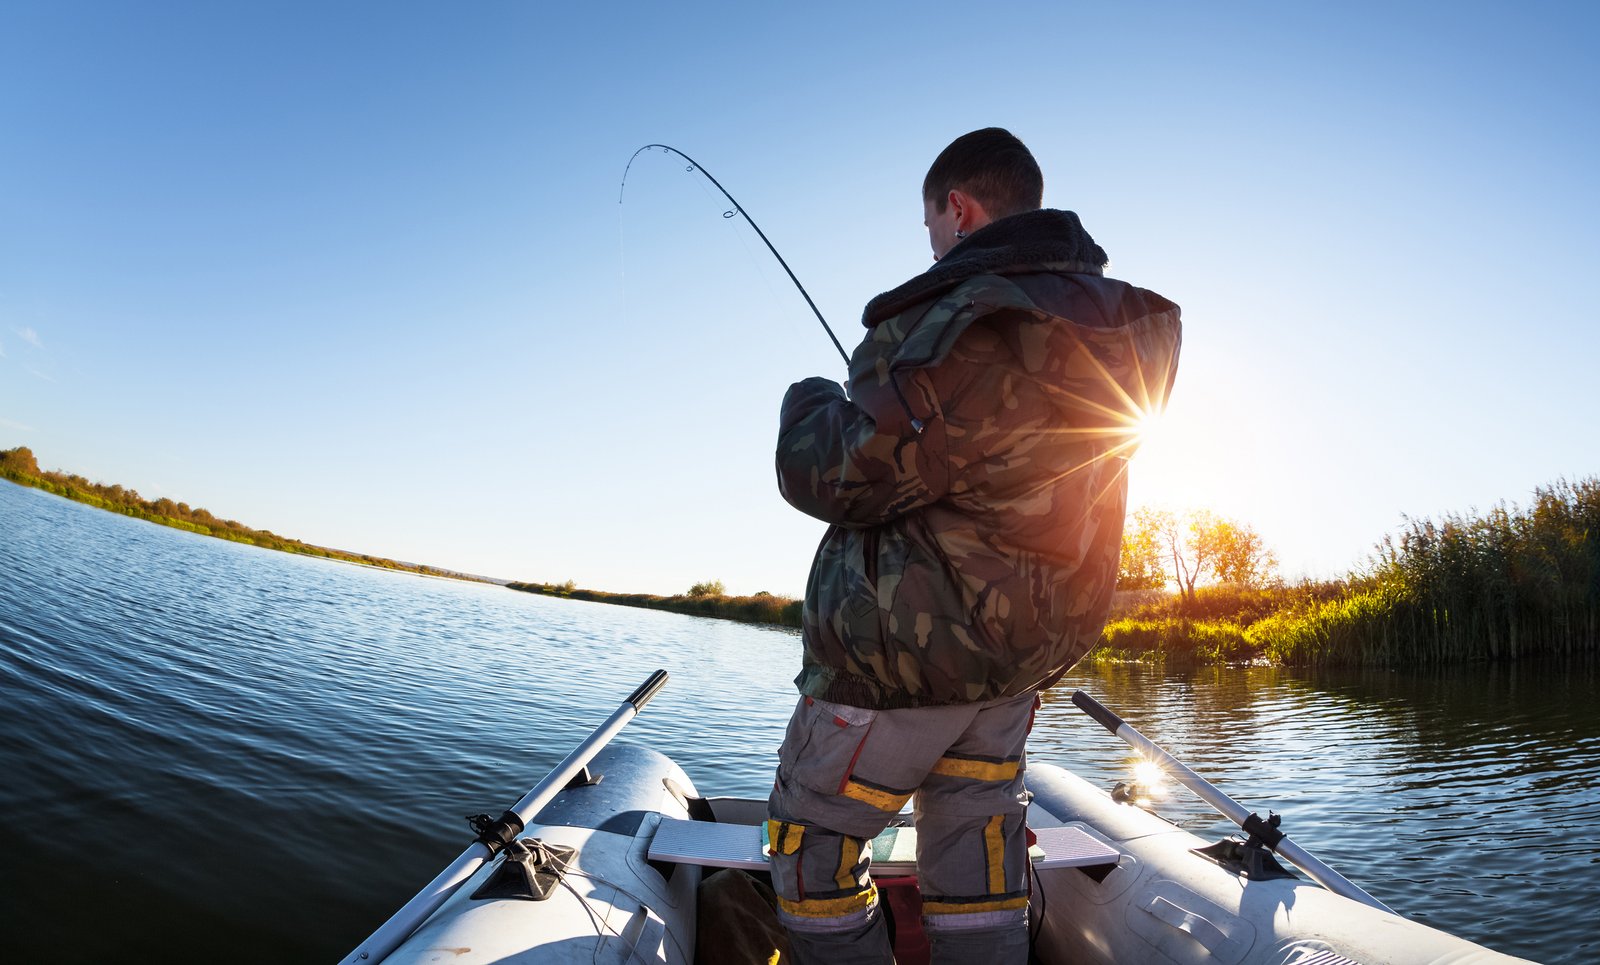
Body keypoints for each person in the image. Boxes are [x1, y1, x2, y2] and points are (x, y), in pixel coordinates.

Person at [765, 128, 1183, 964]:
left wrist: (806, 399)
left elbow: (838, 474)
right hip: (1018, 668)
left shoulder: (956, 317)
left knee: (809, 860)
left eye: (930, 226)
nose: (931, 243)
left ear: (959, 208)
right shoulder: (1128, 329)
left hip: (900, 666)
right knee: (976, 860)